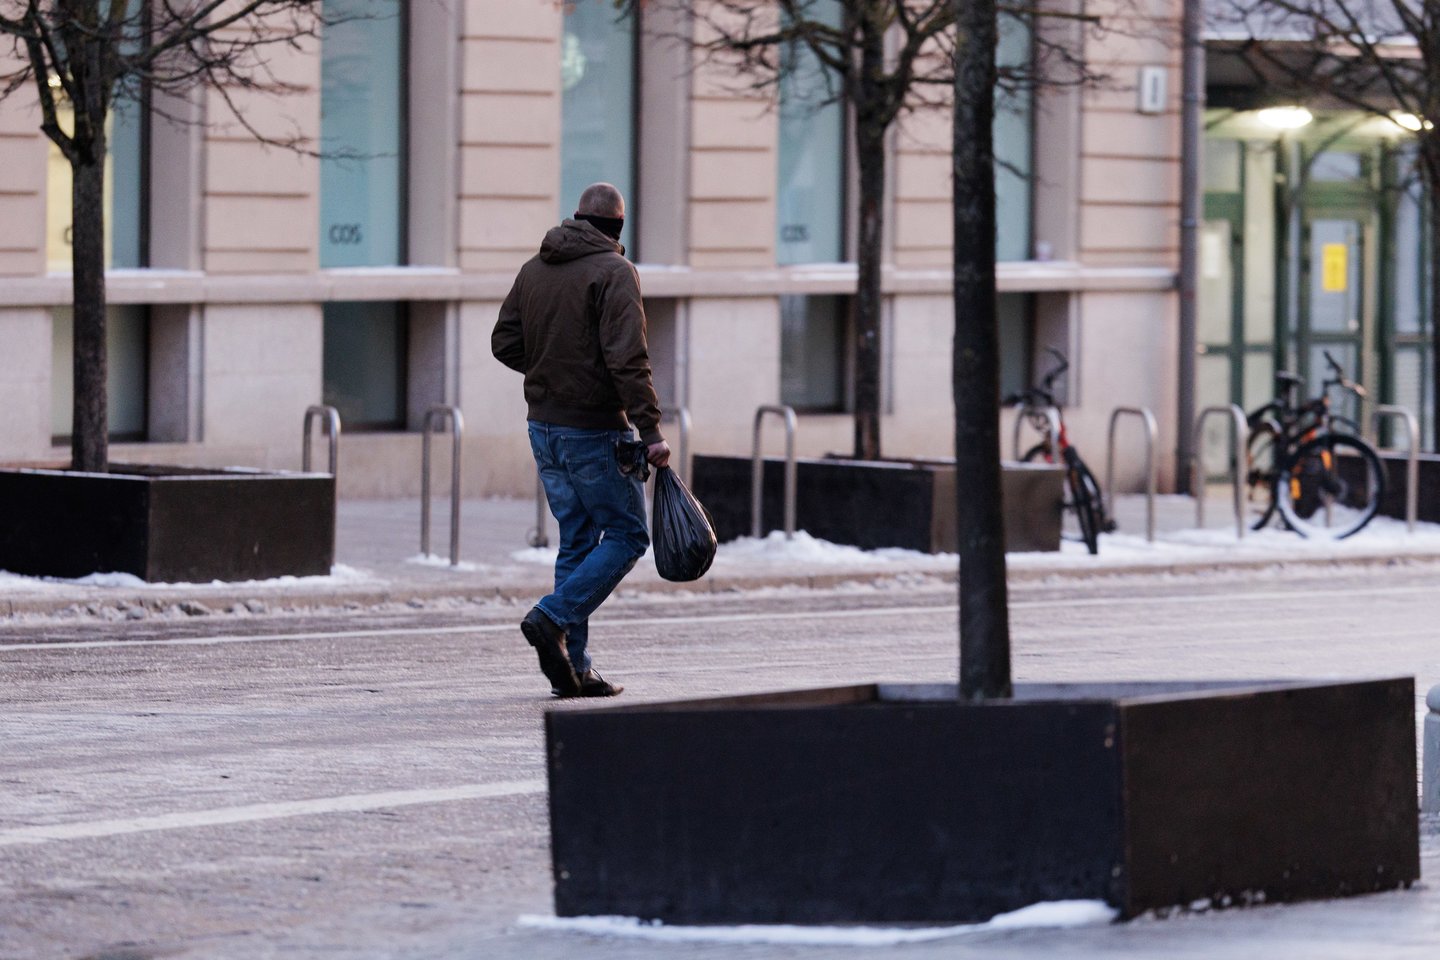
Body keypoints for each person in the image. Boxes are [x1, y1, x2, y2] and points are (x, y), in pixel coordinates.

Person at [491, 183, 670, 698]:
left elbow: (504, 342)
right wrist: (651, 430)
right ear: (616, 226)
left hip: (543, 427)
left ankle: (573, 669)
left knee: (577, 539)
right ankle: (554, 617)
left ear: (575, 218)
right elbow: (627, 359)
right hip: (593, 429)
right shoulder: (615, 272)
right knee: (629, 535)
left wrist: (554, 370)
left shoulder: (534, 269)